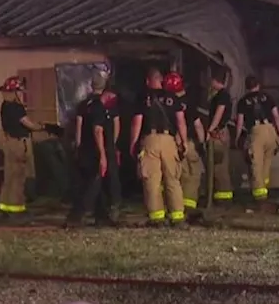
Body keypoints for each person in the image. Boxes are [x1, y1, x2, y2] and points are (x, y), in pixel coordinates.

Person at [0, 76, 63, 217]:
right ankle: (17, 208)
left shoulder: (5, 106)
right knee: (19, 176)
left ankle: (4, 207)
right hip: (19, 144)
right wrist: (46, 127)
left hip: (9, 143)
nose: (22, 94)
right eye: (20, 91)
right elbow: (29, 125)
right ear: (14, 92)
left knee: (9, 176)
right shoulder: (16, 107)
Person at [129, 68, 188, 226]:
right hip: (169, 140)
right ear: (161, 81)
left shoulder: (143, 97)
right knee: (172, 179)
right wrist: (184, 141)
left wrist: (133, 143)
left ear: (148, 81)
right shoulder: (172, 97)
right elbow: (181, 121)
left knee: (152, 180)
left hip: (150, 140)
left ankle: (157, 218)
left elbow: (137, 122)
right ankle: (177, 216)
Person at [65, 76, 122, 227]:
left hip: (86, 148)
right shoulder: (105, 105)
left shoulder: (84, 104)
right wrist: (110, 146)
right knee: (99, 182)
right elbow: (111, 127)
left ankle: (101, 215)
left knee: (93, 181)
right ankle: (78, 215)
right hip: (102, 147)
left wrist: (78, 145)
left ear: (91, 85)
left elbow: (79, 126)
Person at [234, 75, 279, 203]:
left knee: (256, 164)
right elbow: (276, 117)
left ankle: (260, 196)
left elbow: (240, 122)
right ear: (258, 85)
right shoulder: (268, 97)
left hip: (256, 133)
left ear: (246, 87)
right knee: (267, 162)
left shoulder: (243, 101)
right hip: (271, 130)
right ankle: (265, 188)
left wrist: (238, 137)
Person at [165, 72, 207, 221]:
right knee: (194, 174)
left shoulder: (165, 102)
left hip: (172, 143)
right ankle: (189, 206)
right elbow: (198, 125)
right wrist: (202, 144)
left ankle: (175, 205)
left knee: (176, 175)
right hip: (189, 143)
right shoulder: (189, 103)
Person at [205, 72, 234, 204]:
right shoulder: (221, 95)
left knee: (219, 165)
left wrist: (211, 129)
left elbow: (219, 112)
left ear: (215, 80)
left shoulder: (222, 95)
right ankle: (220, 196)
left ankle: (223, 197)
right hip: (219, 131)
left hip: (219, 133)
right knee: (218, 165)